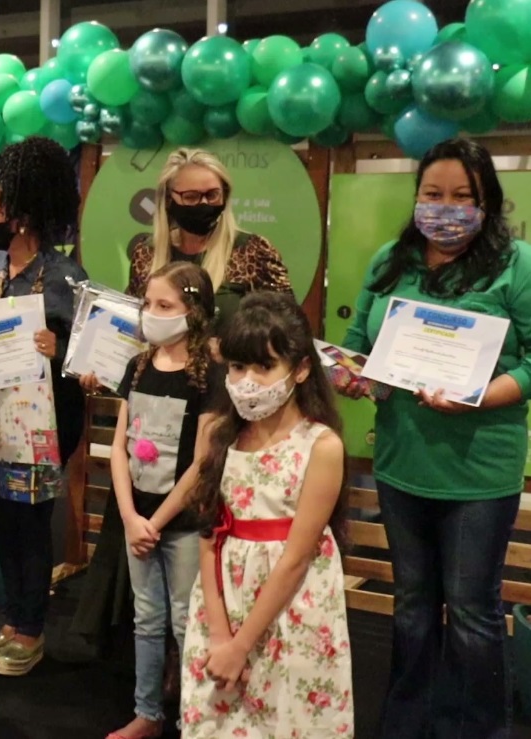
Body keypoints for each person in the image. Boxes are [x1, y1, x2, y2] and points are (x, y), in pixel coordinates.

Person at [338, 138, 530, 739]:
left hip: (478, 473)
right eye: (433, 194)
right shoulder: (391, 259)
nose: (445, 208)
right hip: (402, 464)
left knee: (473, 614)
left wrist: (480, 393)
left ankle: (475, 728)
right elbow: (357, 339)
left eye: (462, 197)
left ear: (487, 203)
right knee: (413, 607)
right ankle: (407, 721)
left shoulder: (516, 264)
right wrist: (351, 373)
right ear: (416, 196)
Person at [181, 291, 352, 737]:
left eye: (265, 366)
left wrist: (242, 644)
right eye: (238, 367)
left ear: (300, 369)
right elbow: (207, 532)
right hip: (222, 600)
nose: (248, 381)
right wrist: (220, 634)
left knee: (286, 716)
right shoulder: (219, 434)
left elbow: (297, 556)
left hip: (288, 608)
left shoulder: (321, 446)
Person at [0, 136, 87, 677]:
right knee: (4, 522)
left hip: (44, 426)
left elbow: (91, 357)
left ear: (20, 217)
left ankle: (33, 628)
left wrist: (59, 349)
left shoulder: (64, 277)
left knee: (33, 526)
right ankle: (12, 619)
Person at [105, 261, 222, 739]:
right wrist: (132, 517)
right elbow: (118, 446)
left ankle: (194, 718)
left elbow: (202, 462)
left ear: (192, 311)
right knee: (147, 619)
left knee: (185, 622)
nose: (152, 314)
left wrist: (157, 520)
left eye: (165, 306)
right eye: (148, 304)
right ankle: (148, 712)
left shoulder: (210, 374)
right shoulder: (136, 366)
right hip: (139, 521)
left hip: (183, 524)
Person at [125, 148, 291, 338]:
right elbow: (132, 322)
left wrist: (227, 350)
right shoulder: (147, 253)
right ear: (169, 200)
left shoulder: (254, 251)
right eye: (191, 197)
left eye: (212, 195)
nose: (203, 204)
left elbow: (287, 328)